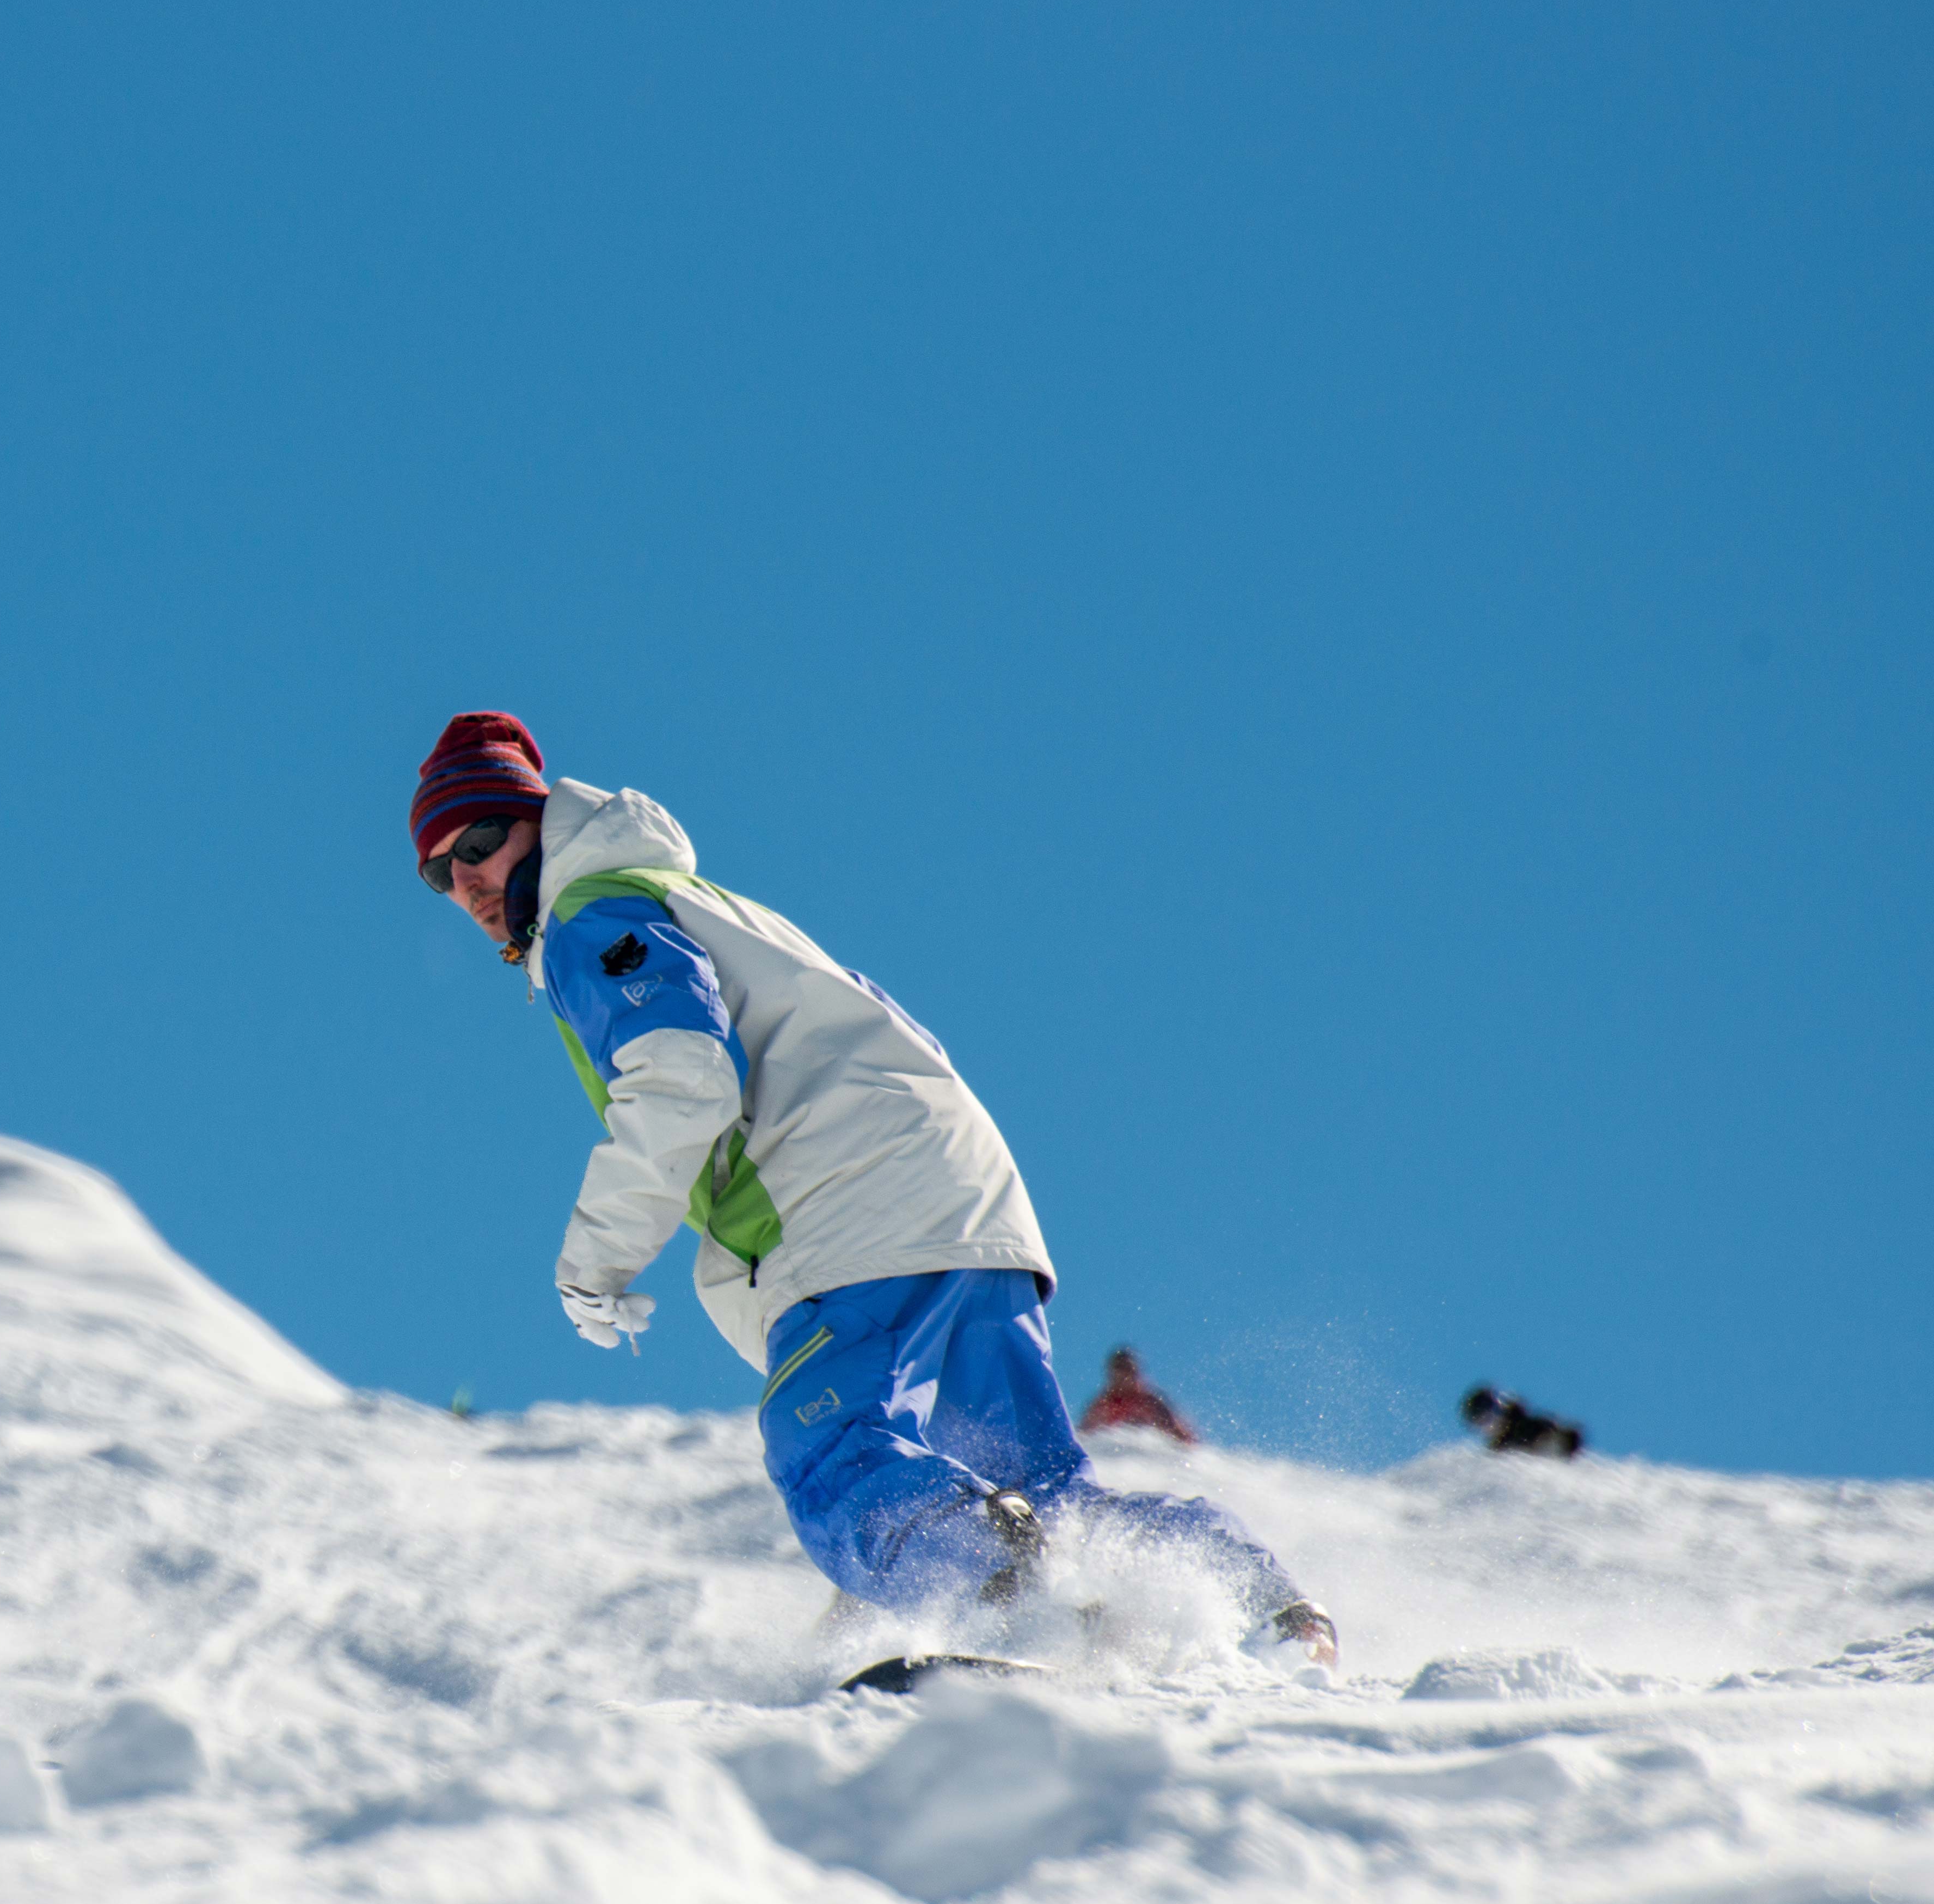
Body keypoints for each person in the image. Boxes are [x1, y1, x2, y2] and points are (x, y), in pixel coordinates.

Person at [407, 712, 1335, 1665]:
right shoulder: (689, 900)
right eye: (440, 871)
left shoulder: (593, 913)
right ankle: (1251, 1605)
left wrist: (596, 1260)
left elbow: (681, 1076)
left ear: (538, 822)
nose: (469, 878)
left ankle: (1009, 1607)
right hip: (960, 1203)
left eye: (480, 841)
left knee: (831, 1446)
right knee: (1041, 1487)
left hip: (854, 1202)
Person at [1078, 1346, 1198, 1443]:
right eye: (1118, 1372)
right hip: (1119, 1459)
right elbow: (1083, 1435)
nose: (1123, 1377)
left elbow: (1180, 1436)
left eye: (1128, 1371)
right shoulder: (1103, 1404)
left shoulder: (1149, 1402)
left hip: (1150, 1459)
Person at [1460, 1385, 1585, 1458]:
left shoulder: (1528, 1427)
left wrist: (1557, 1443)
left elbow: (1571, 1437)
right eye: (1479, 1424)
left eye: (1486, 1419)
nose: (1486, 1427)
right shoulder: (1496, 1448)